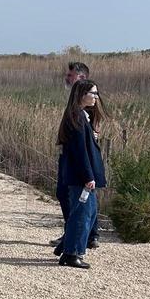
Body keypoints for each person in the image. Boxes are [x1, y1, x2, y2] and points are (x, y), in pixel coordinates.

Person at [57, 80, 106, 269]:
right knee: (83, 214)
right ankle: (72, 253)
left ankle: (67, 249)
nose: (96, 97)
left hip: (81, 177)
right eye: (93, 93)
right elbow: (80, 151)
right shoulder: (77, 117)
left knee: (88, 212)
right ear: (82, 94)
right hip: (81, 178)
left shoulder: (80, 116)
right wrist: (88, 176)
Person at [55, 61, 90, 239]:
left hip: (77, 155)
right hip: (68, 153)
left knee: (77, 196)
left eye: (71, 75)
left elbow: (92, 126)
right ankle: (78, 233)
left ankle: (80, 235)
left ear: (81, 77)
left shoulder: (88, 97)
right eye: (67, 75)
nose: (67, 78)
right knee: (65, 193)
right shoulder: (74, 97)